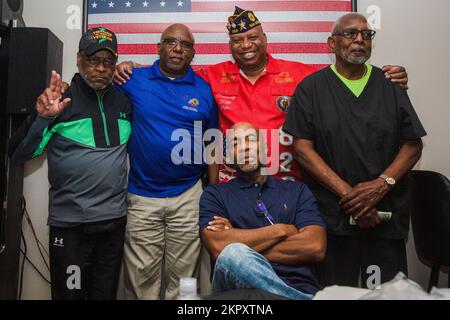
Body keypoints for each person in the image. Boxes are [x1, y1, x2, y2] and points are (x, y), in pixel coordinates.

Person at [115, 7, 409, 183]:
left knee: (289, 268)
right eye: (238, 40)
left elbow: (344, 74)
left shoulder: (299, 73)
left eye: (253, 37)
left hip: (288, 186)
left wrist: (385, 75)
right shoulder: (212, 75)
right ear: (230, 45)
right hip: (232, 187)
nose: (246, 45)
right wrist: (133, 67)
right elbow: (174, 74)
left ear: (265, 39)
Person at [283, 13, 426, 288]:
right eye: (350, 33)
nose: (359, 39)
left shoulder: (390, 85)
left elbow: (413, 144)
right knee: (336, 292)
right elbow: (302, 149)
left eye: (366, 34)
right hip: (334, 217)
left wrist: (380, 186)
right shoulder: (311, 89)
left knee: (387, 293)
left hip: (384, 216)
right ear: (331, 43)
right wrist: (352, 197)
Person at [10, 27, 131, 299]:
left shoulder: (124, 101)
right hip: (72, 230)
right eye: (92, 59)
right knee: (71, 295)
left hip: (113, 225)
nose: (100, 68)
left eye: (108, 61)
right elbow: (18, 154)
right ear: (78, 59)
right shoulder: (60, 102)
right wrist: (42, 117)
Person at [115, 24, 218, 300]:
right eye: (171, 42)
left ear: (193, 53)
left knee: (184, 280)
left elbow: (212, 143)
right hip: (142, 194)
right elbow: (95, 82)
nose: (177, 48)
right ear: (158, 47)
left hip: (188, 194)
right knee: (140, 278)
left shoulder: (204, 90)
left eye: (185, 44)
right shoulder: (132, 79)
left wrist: (213, 194)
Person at [199, 122, 326, 300]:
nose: (244, 148)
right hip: (239, 295)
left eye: (251, 140)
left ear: (265, 149)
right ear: (228, 157)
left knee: (235, 250)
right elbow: (219, 248)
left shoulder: (296, 191)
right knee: (233, 255)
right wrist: (282, 230)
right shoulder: (215, 195)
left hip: (297, 285)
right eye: (235, 144)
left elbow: (315, 247)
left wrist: (239, 238)